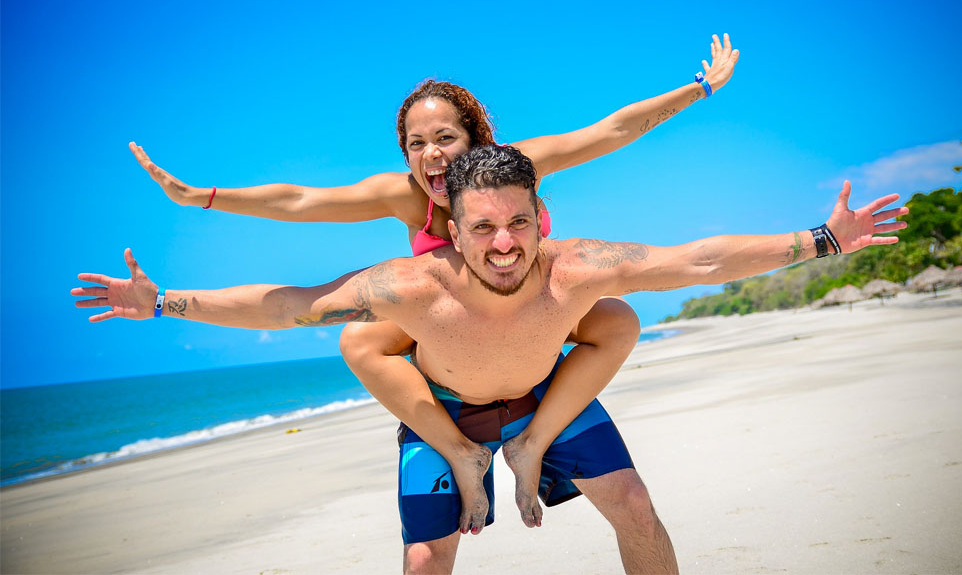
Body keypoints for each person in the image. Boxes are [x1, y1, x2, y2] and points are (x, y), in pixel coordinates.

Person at [73, 144, 908, 574]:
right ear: (453, 227)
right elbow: (291, 305)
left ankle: (532, 445)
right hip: (448, 408)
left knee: (638, 508)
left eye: (518, 223)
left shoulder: (579, 265)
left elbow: (698, 260)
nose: (503, 244)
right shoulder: (408, 286)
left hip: (548, 393)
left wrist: (824, 238)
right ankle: (471, 457)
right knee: (425, 561)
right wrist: (165, 303)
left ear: (541, 216)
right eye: (482, 227)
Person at [128, 35, 741, 532]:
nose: (431, 155)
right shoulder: (404, 194)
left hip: (533, 318)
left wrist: (700, 88)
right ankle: (461, 453)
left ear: (476, 138)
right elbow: (301, 199)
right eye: (416, 143)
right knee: (358, 337)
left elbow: (608, 132)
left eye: (445, 137)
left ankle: (536, 444)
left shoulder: (512, 166)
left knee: (615, 318)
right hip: (454, 333)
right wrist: (201, 198)